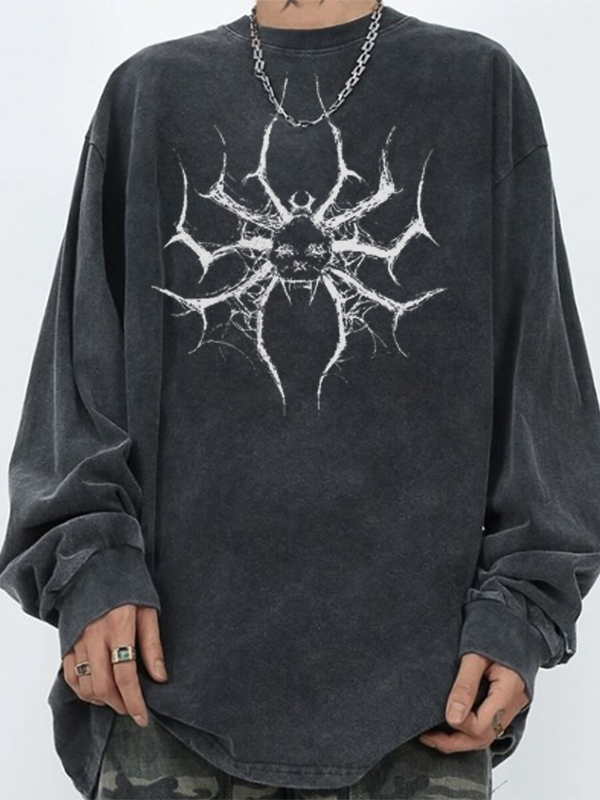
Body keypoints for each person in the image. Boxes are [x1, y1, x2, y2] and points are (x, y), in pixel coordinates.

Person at [1, 1, 600, 798]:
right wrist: (90, 568)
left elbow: (544, 390)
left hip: (422, 702)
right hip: (160, 689)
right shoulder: (149, 93)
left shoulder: (478, 88)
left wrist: (523, 611)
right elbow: (73, 383)